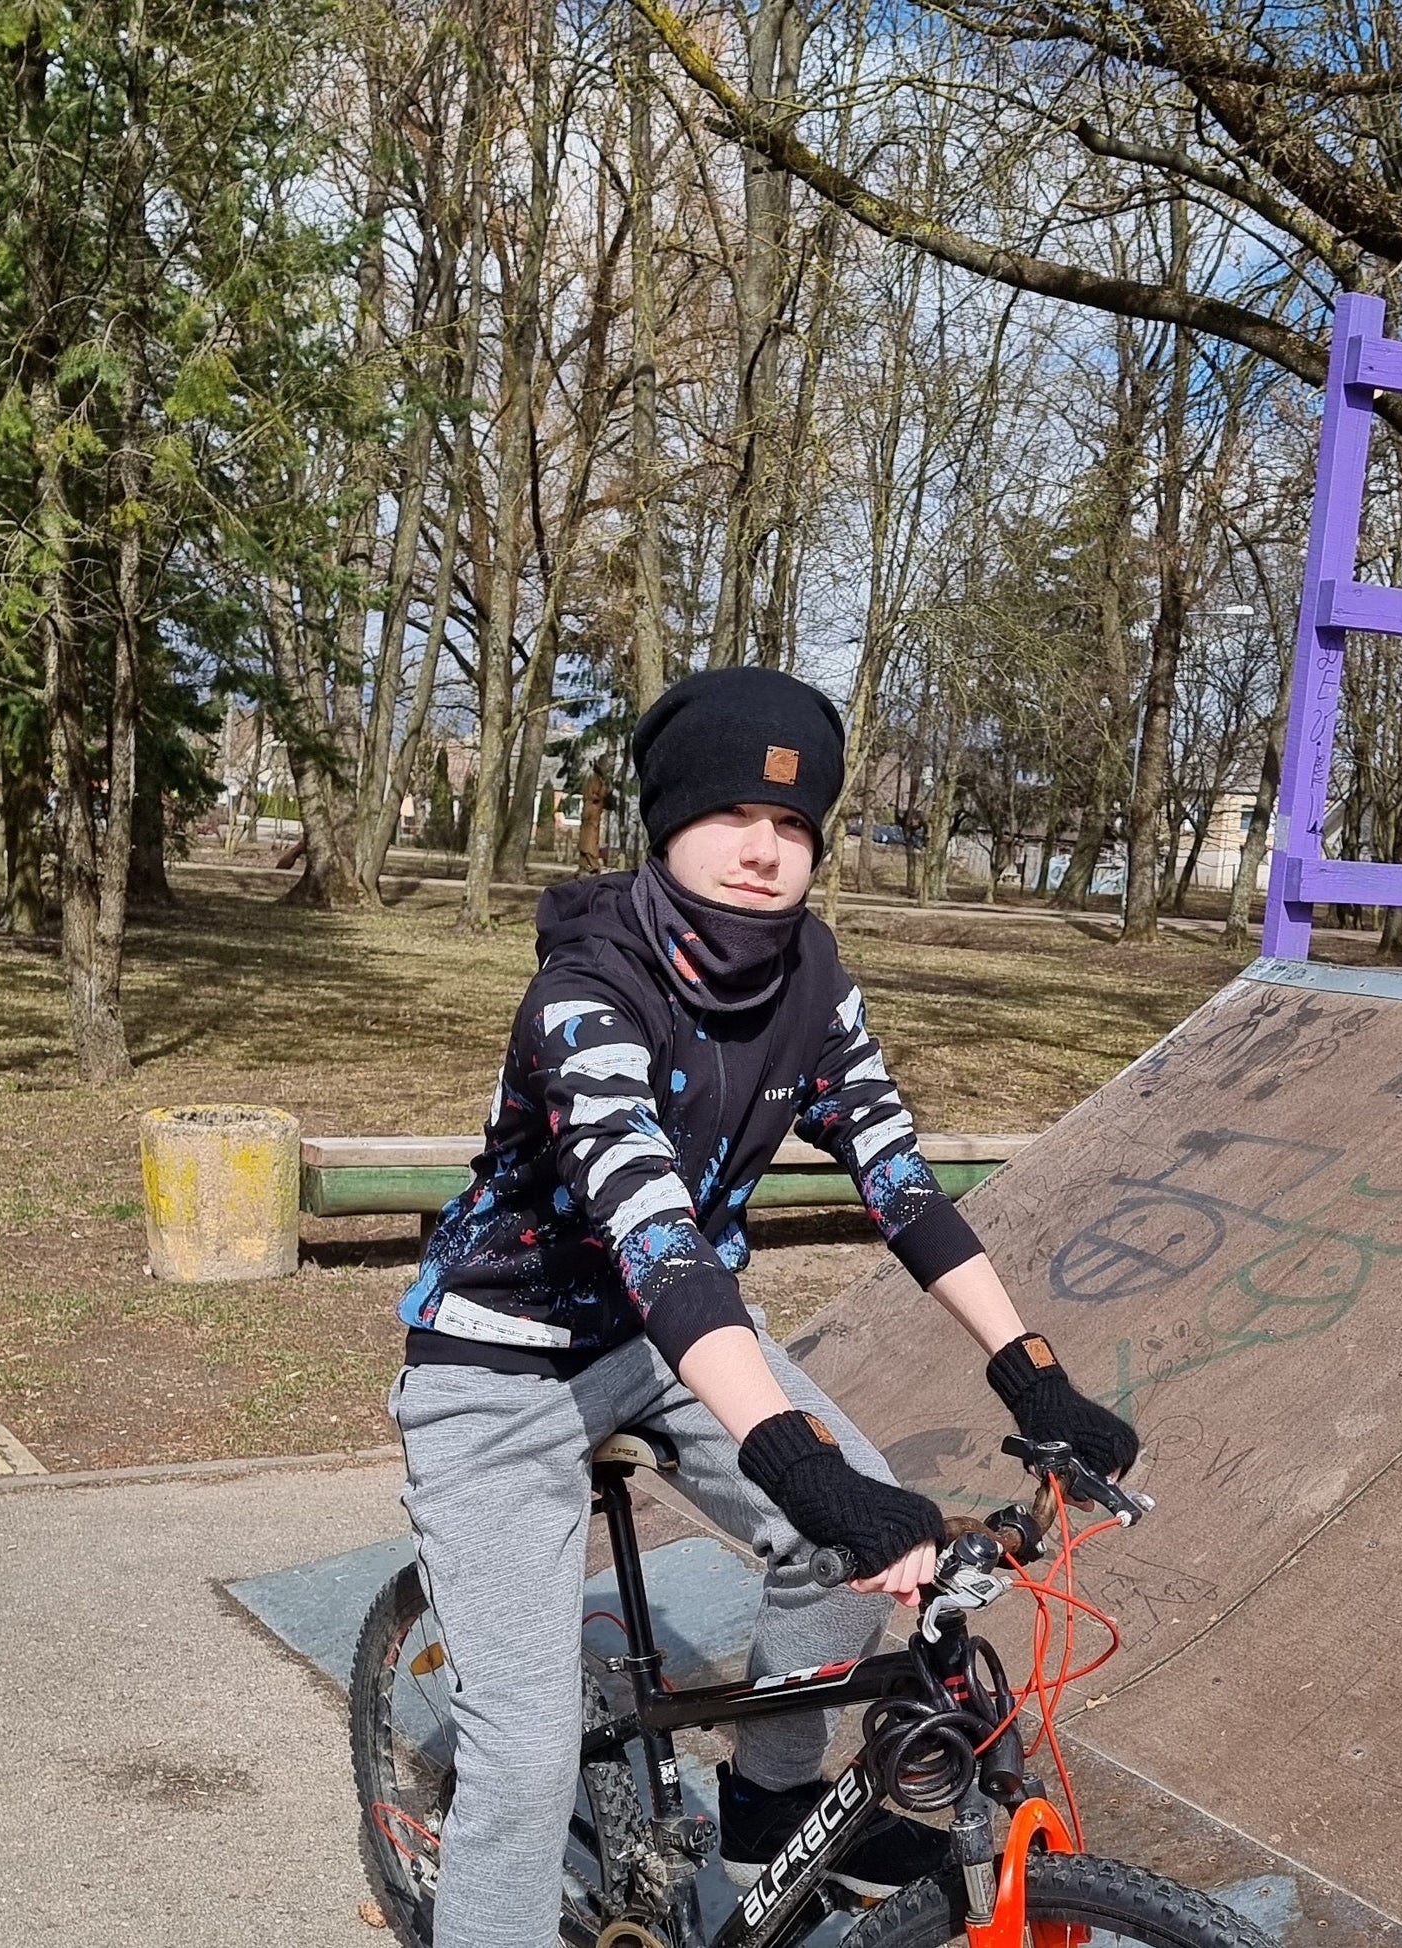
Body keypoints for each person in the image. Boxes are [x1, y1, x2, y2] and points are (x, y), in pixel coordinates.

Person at [392, 666, 1136, 1948]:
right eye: (731, 813)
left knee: (859, 1544)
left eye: (793, 823)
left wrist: (1032, 1372)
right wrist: (795, 1461)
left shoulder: (810, 979)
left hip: (663, 1344)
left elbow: (898, 1180)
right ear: (666, 821)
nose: (762, 847)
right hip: (499, 1365)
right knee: (521, 1761)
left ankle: (767, 1805)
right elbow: (657, 1239)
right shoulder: (586, 992)